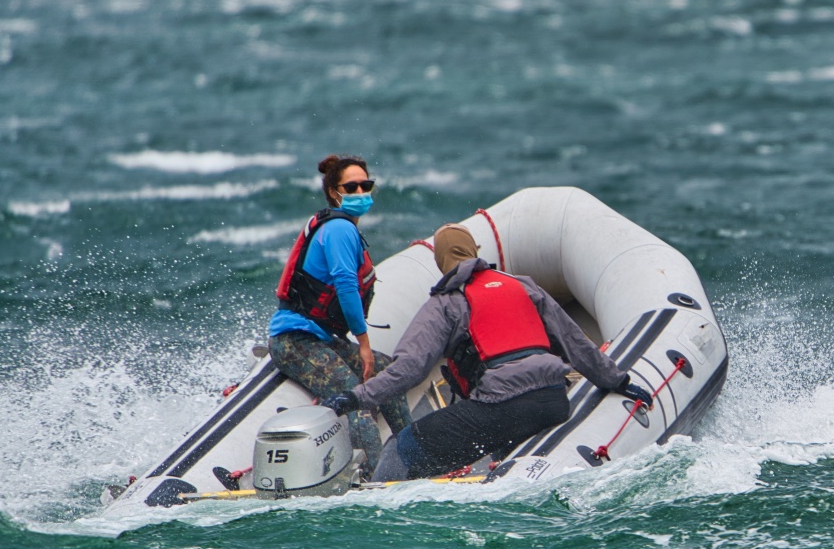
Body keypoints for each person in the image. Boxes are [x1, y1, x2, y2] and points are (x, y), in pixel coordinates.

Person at [323, 224, 654, 480]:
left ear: (441, 261)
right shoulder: (524, 286)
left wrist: (355, 397)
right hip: (552, 401)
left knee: (402, 448)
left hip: (501, 406)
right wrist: (619, 382)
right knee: (497, 427)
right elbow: (575, 342)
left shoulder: (446, 303)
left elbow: (409, 369)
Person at [267, 153, 412, 470]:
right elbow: (346, 286)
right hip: (295, 342)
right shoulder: (339, 230)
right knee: (356, 397)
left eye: (365, 185)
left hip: (319, 339)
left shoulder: (342, 227)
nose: (360, 192)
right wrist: (363, 343)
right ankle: (375, 477)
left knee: (387, 374)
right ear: (335, 192)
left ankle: (412, 456)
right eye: (351, 187)